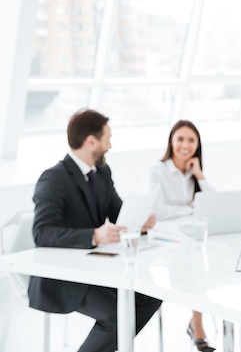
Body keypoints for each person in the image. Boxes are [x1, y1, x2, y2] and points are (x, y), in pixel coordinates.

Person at [28, 109, 162, 352]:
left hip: (95, 268)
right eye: (107, 138)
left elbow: (117, 213)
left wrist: (138, 223)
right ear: (91, 141)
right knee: (116, 314)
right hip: (63, 276)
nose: (110, 145)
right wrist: (92, 235)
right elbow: (42, 233)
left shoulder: (102, 173)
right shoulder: (53, 179)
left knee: (151, 296)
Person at [149, 119, 216, 352]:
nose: (185, 145)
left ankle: (196, 322)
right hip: (165, 242)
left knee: (205, 263)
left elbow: (213, 203)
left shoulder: (191, 173)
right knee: (198, 267)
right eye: (180, 139)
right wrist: (190, 208)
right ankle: (197, 324)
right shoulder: (157, 171)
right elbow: (157, 211)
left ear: (197, 144)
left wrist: (199, 174)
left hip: (189, 239)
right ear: (171, 142)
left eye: (191, 140)